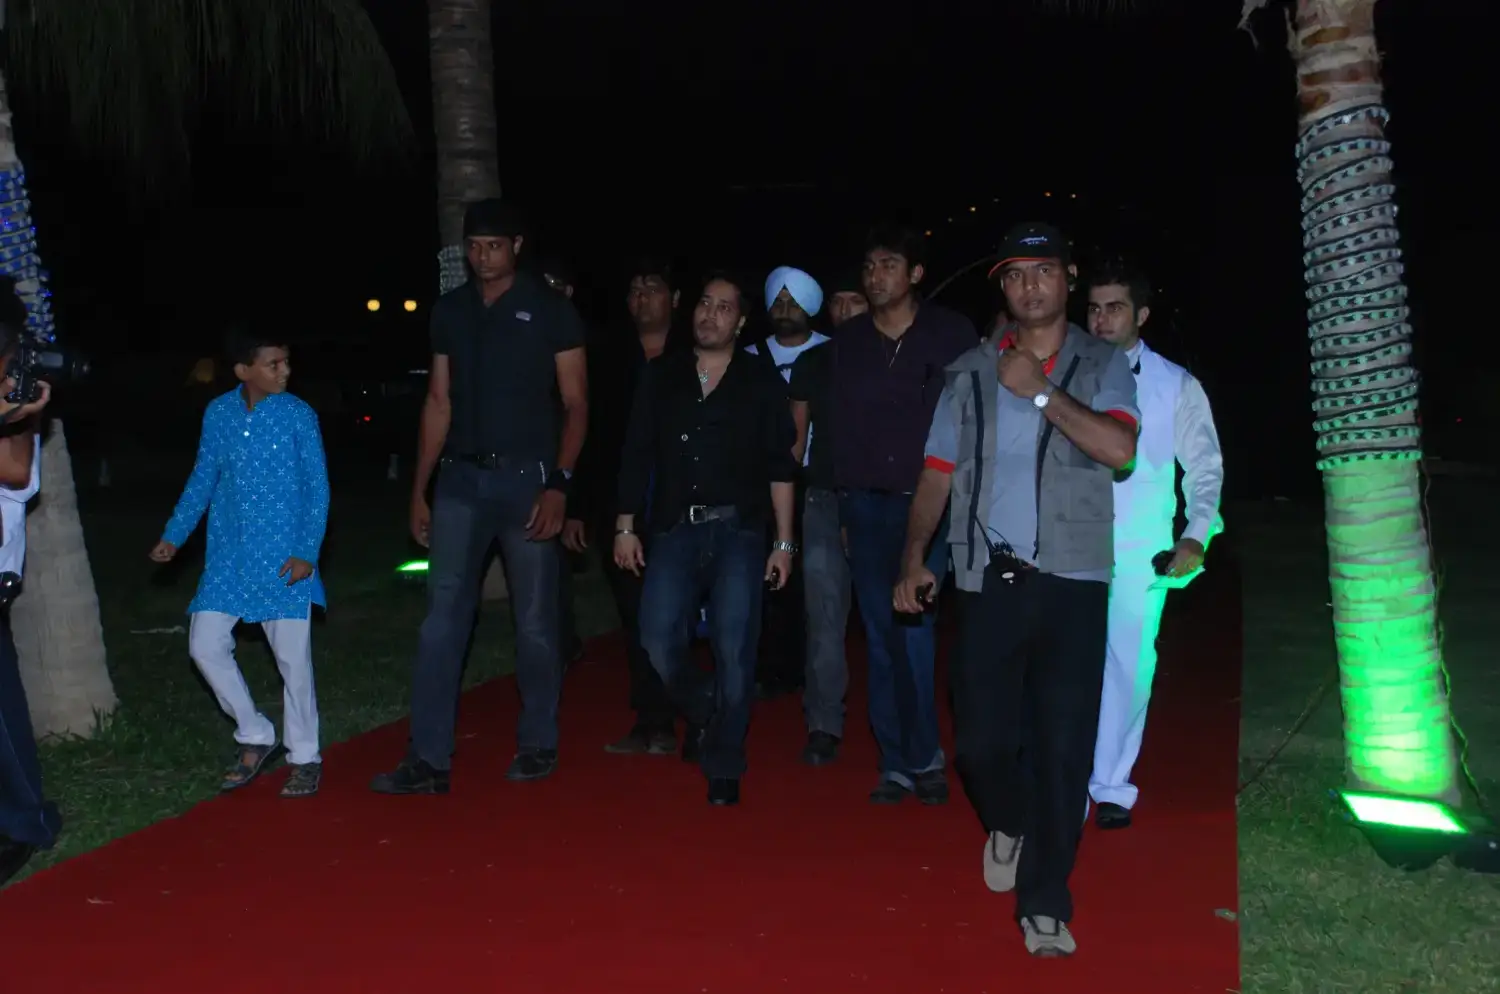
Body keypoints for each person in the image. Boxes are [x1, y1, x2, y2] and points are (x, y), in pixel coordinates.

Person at [895, 222, 1139, 957]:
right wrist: (914, 557)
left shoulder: (1102, 363)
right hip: (986, 579)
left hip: (1073, 580)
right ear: (1001, 288)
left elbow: (1119, 450)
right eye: (1015, 275)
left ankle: (1045, 902)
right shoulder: (968, 370)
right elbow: (937, 472)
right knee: (979, 744)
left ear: (1067, 280)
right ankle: (1006, 820)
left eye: (1044, 272)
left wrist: (1040, 395)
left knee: (1063, 749)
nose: (1030, 286)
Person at [371, 199, 589, 793]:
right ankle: (429, 759)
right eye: (473, 246)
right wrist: (420, 489)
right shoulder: (450, 312)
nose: (482, 255)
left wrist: (559, 485)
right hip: (462, 481)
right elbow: (437, 402)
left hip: (527, 481)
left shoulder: (550, 310)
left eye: (493, 245)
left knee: (537, 623)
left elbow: (575, 404)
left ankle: (539, 742)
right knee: (441, 622)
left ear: (517, 245)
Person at [614, 272, 797, 807]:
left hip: (740, 530)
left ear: (739, 322)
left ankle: (724, 760)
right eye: (704, 304)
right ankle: (703, 705)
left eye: (724, 307)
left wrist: (783, 544)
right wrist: (625, 525)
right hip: (673, 527)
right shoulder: (662, 375)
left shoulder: (761, 381)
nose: (709, 314)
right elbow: (636, 452)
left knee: (735, 648)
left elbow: (780, 465)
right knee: (655, 636)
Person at [150, 326, 331, 798]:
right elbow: (203, 477)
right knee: (204, 645)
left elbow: (318, 488)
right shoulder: (220, 413)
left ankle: (305, 757)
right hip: (229, 557)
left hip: (285, 557)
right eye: (274, 364)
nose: (285, 371)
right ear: (243, 371)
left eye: (287, 362)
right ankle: (254, 732)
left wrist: (306, 553)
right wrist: (174, 534)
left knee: (293, 662)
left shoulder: (298, 415)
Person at [831, 224, 975, 804]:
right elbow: (839, 428)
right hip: (864, 507)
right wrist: (843, 507)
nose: (875, 275)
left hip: (929, 509)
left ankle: (926, 757)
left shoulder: (951, 335)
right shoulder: (848, 342)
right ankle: (894, 760)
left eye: (888, 264)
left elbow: (972, 418)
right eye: (869, 265)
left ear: (915, 274)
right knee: (880, 636)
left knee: (914, 633)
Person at [1085, 259, 1223, 829]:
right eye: (1093, 307)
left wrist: (1194, 535)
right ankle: (1061, 776)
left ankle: (1111, 784)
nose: (1101, 319)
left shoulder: (1176, 385)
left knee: (1128, 665)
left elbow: (1205, 468)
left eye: (1114, 307)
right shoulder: (1063, 373)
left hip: (1141, 544)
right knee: (1062, 664)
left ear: (1141, 314)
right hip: (1068, 543)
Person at [569, 258, 686, 756]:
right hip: (625, 511)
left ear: (675, 300)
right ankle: (654, 719)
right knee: (637, 617)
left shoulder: (696, 354)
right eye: (635, 291)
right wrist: (578, 507)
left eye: (653, 289)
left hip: (686, 507)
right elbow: (590, 437)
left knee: (682, 617)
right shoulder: (609, 361)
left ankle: (701, 709)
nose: (643, 299)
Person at [784, 264, 862, 766]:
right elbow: (794, 442)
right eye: (837, 303)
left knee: (888, 617)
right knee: (824, 615)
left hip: (882, 500)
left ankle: (900, 727)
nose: (844, 311)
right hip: (822, 499)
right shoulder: (815, 362)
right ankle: (824, 723)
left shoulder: (896, 359)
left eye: (854, 301)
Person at [745, 266, 829, 700]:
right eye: (777, 301)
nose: (784, 309)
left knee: (805, 578)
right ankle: (762, 664)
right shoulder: (750, 356)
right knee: (760, 575)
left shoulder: (831, 353)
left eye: (792, 301)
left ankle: (800, 667)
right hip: (760, 483)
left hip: (812, 481)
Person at [0, 289, 61, 885]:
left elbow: (17, 474)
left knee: (3, 721)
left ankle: (27, 825)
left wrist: (21, 414)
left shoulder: (17, 412)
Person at [539, 255, 585, 666]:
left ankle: (564, 645)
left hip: (565, 471)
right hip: (529, 467)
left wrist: (572, 494)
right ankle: (558, 646)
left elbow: (582, 415)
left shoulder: (575, 343)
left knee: (556, 566)